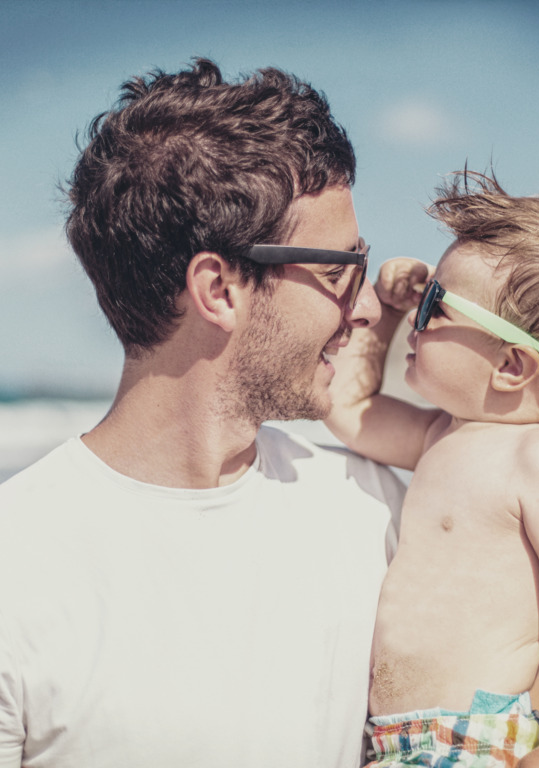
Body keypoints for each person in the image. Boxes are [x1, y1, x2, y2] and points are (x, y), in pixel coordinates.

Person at [0, 58, 407, 768]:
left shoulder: (375, 510)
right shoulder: (18, 573)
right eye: (341, 270)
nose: (366, 306)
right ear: (219, 289)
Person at [325, 171, 539, 768]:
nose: (418, 316)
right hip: (392, 744)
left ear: (511, 364)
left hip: (476, 739)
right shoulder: (439, 434)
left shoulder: (537, 459)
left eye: (435, 304)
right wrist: (383, 313)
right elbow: (348, 409)